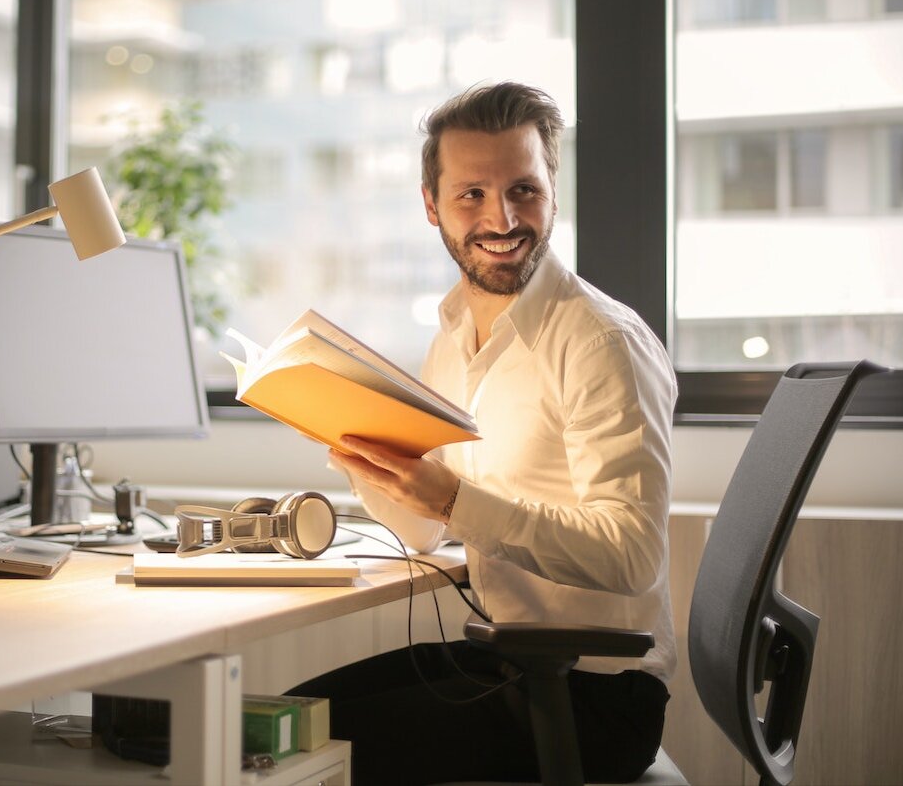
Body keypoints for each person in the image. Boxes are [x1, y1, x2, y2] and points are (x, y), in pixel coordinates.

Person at [288, 82, 677, 784]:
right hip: (510, 659)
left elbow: (631, 555)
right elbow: (423, 532)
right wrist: (362, 454)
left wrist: (453, 499)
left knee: (289, 754)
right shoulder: (453, 334)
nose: (501, 218)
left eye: (523, 189)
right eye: (471, 194)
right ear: (430, 205)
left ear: (552, 190)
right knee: (281, 718)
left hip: (594, 695)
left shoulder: (599, 341)